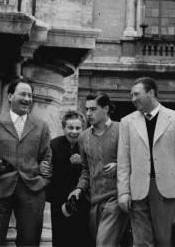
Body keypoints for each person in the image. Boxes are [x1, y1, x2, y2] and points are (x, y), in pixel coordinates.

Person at [117, 77, 175, 247]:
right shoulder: (127, 122)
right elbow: (123, 161)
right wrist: (123, 192)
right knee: (141, 241)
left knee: (165, 240)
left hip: (167, 190)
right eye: (131, 95)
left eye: (136, 94)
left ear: (151, 93)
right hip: (137, 190)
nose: (133, 99)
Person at [0, 77, 51, 246]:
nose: (27, 99)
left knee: (29, 241)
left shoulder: (41, 126)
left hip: (32, 190)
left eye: (30, 95)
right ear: (10, 96)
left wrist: (43, 180)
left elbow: (47, 156)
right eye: (23, 94)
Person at [69, 93, 127, 247]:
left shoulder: (122, 129)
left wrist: (119, 164)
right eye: (87, 109)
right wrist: (79, 189)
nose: (88, 114)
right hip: (94, 201)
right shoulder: (83, 137)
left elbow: (137, 160)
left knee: (104, 243)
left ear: (106, 108)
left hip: (117, 197)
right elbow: (86, 170)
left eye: (93, 109)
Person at [45, 110, 90, 247]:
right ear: (63, 128)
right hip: (59, 199)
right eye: (70, 127)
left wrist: (82, 161)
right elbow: (47, 167)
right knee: (61, 237)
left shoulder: (87, 145)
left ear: (83, 129)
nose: (74, 132)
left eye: (78, 128)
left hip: (82, 199)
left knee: (81, 237)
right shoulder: (53, 145)